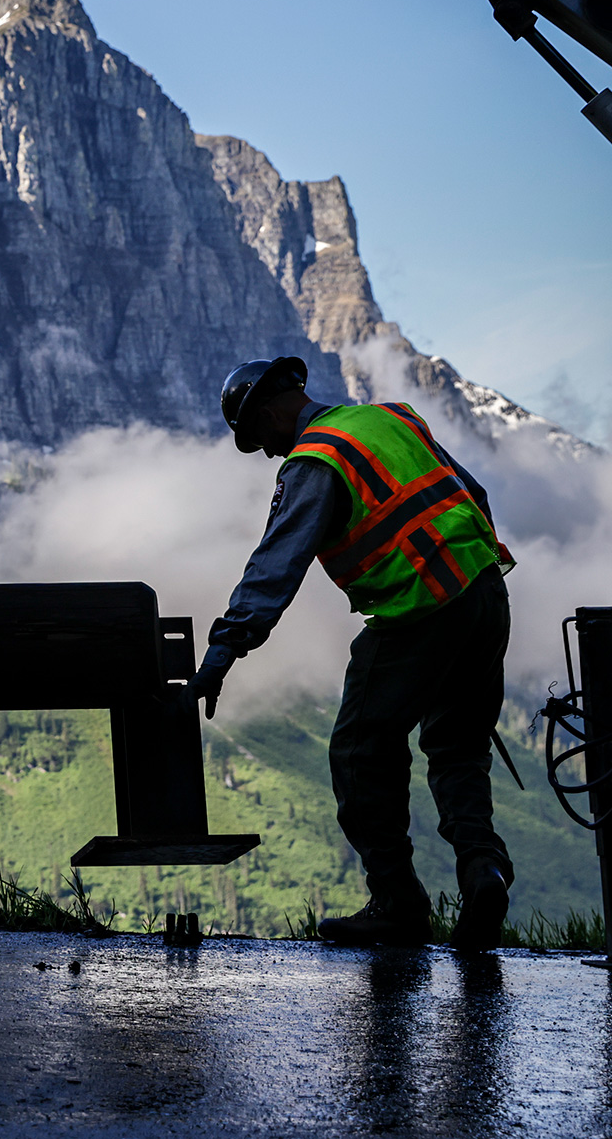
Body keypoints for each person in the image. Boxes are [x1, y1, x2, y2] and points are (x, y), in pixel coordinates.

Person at [189, 356, 515, 951]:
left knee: (360, 751)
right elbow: (475, 494)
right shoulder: (392, 418)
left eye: (257, 439)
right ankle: (483, 869)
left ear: (267, 415)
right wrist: (468, 619)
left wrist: (222, 652)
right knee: (458, 749)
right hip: (485, 592)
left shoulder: (315, 460)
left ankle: (398, 904)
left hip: (418, 605)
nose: (266, 452)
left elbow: (276, 563)